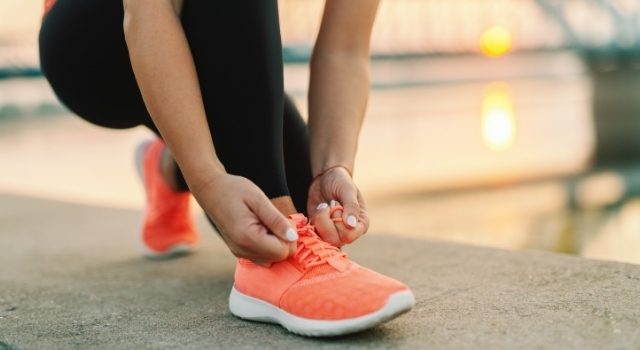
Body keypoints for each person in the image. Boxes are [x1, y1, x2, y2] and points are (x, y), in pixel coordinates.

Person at [39, 0, 414, 336]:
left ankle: (166, 169)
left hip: (211, 47)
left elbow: (345, 50)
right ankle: (267, 264)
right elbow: (147, 10)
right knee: (278, 225)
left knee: (302, 206)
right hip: (94, 44)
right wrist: (206, 179)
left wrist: (332, 168)